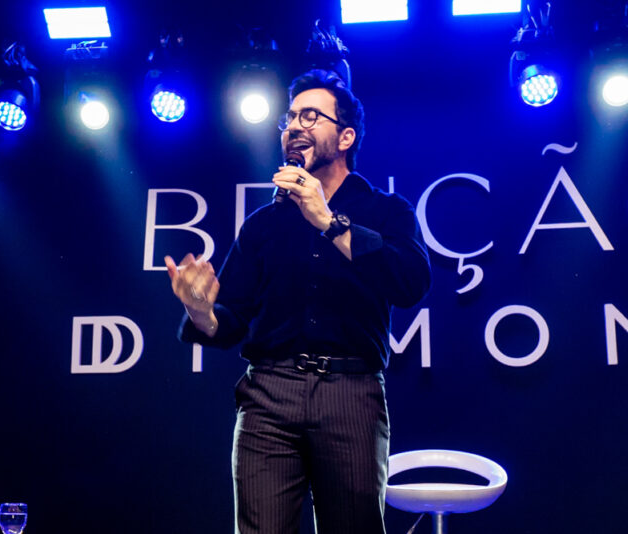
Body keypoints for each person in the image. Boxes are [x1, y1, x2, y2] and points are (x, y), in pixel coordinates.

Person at [164, 69, 431, 534]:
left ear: (345, 136)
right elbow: (234, 319)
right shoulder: (264, 225)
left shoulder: (387, 210)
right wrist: (199, 309)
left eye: (311, 116)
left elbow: (410, 283)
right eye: (289, 118)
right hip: (269, 394)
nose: (294, 126)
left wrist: (329, 221)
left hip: (350, 391)